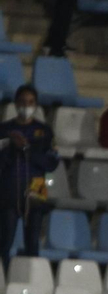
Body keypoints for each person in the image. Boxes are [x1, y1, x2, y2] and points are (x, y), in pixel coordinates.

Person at [0, 85, 59, 264]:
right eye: (23, 102)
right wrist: (11, 147)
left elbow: (52, 162)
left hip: (36, 189)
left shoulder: (44, 131)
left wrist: (28, 149)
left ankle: (30, 281)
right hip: (9, 189)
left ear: (36, 104)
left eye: (31, 102)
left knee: (32, 242)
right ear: (16, 104)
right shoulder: (5, 129)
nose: (26, 106)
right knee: (5, 240)